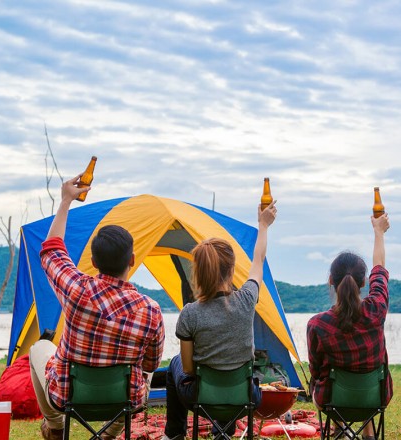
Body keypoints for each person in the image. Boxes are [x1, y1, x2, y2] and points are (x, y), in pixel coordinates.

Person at [29, 175, 165, 440]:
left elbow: (51, 251)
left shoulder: (76, 289)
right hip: (124, 399)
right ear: (132, 260)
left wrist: (66, 200)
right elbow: (150, 363)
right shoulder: (151, 310)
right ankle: (109, 434)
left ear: (92, 260)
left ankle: (56, 426)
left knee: (38, 348)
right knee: (143, 374)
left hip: (68, 395)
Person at [162, 201, 278, 440]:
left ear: (200, 272)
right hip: (246, 396)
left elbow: (188, 368)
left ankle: (174, 435)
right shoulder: (247, 299)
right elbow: (259, 260)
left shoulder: (190, 313)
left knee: (175, 364)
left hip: (200, 397)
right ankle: (223, 432)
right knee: (228, 371)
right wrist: (263, 225)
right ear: (232, 269)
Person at [307, 213, 393, 440]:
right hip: (375, 397)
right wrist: (379, 233)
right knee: (361, 381)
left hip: (333, 401)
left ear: (331, 282)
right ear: (363, 283)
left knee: (329, 381)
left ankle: (339, 429)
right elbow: (380, 269)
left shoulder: (317, 324)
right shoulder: (376, 310)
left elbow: (316, 372)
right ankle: (368, 432)